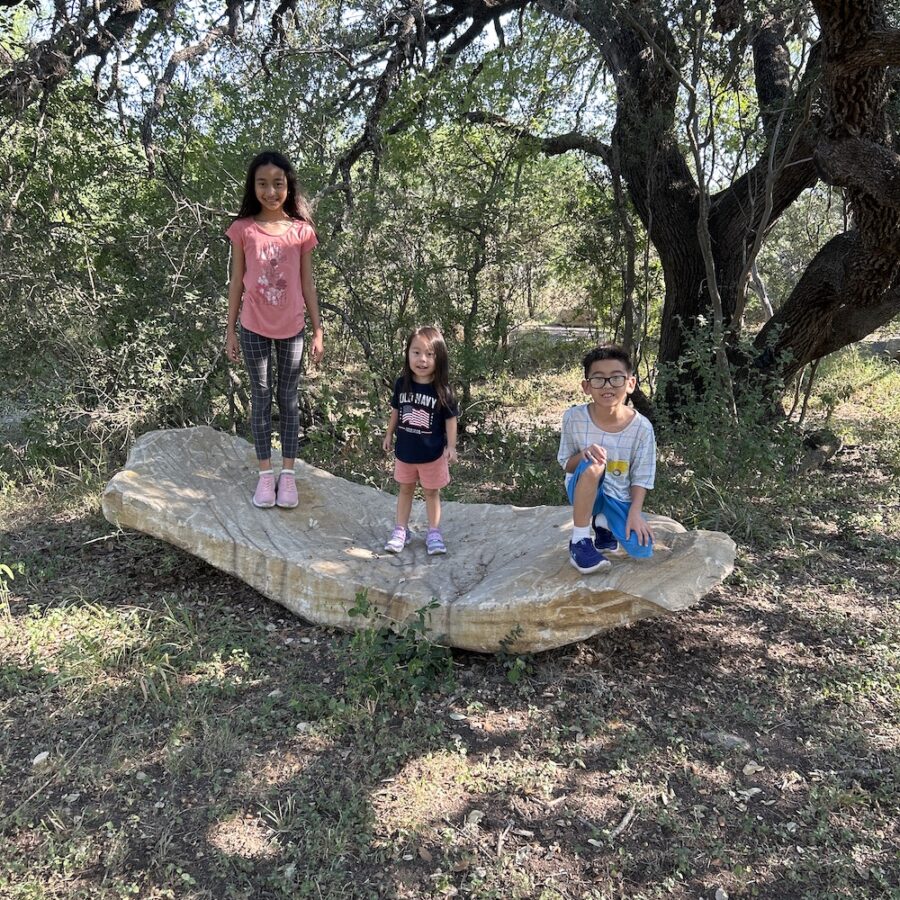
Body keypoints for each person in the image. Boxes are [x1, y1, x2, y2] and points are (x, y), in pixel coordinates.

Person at [225, 150, 324, 509]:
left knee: (289, 399)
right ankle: (265, 476)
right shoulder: (243, 229)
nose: (270, 191)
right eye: (263, 184)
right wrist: (230, 329)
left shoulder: (301, 231)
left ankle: (289, 475)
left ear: (288, 186)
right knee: (261, 398)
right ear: (253, 187)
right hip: (252, 327)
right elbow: (237, 281)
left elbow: (308, 283)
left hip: (292, 328)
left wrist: (317, 330)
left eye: (277, 184)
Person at [557, 345, 656, 573]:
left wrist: (635, 513)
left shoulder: (642, 428)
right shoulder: (574, 418)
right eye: (599, 379)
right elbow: (566, 463)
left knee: (642, 548)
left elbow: (642, 475)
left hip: (618, 494)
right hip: (582, 486)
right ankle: (580, 541)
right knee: (594, 464)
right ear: (586, 386)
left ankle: (602, 522)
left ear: (630, 383)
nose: (608, 386)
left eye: (616, 378)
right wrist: (584, 455)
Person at [382, 326, 459, 555]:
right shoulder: (401, 383)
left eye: (429, 354)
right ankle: (400, 530)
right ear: (407, 354)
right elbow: (396, 410)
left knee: (431, 492)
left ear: (439, 357)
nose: (422, 359)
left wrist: (451, 446)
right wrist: (388, 434)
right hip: (405, 452)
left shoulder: (443, 390)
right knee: (405, 490)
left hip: (432, 455)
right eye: (416, 352)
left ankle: (433, 532)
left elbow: (451, 420)